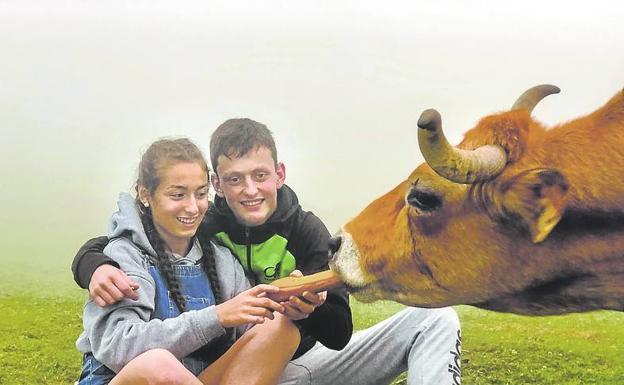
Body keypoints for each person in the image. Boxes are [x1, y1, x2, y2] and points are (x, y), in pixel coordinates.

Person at [73, 119, 462, 385]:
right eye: (234, 180)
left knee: (434, 320)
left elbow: (338, 333)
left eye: (260, 176)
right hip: (160, 374)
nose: (250, 190)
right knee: (157, 363)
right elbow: (126, 239)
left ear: (279, 174)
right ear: (220, 185)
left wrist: (306, 305)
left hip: (278, 367)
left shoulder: (302, 233)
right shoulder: (198, 226)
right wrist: (92, 263)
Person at [75, 138, 302, 385]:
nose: (193, 207)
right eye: (178, 195)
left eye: (201, 194)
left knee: (281, 328)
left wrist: (290, 301)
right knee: (158, 365)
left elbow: (251, 333)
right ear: (145, 194)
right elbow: (118, 347)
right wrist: (216, 317)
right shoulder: (123, 257)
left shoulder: (220, 258)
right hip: (127, 378)